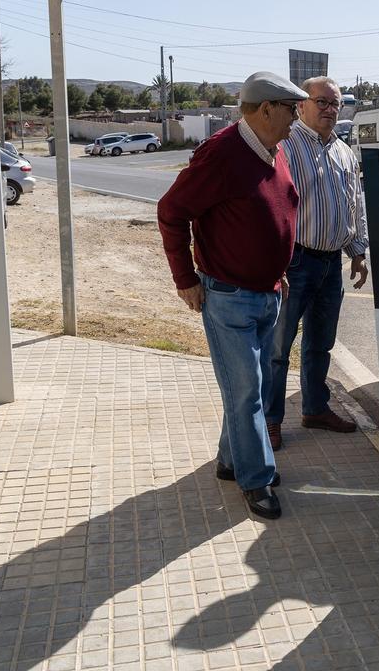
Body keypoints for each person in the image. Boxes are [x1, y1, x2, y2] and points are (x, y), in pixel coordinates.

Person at [157, 71, 306, 520]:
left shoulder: (274, 149)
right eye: (291, 109)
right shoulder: (221, 154)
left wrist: (278, 271)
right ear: (266, 110)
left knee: (249, 389)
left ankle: (230, 460)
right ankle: (256, 479)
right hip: (229, 297)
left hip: (267, 293)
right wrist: (184, 278)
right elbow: (171, 211)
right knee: (246, 391)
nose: (296, 117)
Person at [264, 77, 367, 449]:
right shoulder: (286, 145)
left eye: (335, 103)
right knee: (278, 349)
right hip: (294, 263)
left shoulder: (343, 151)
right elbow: (271, 207)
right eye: (321, 101)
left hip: (330, 264)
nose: (329, 109)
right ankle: (270, 421)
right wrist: (275, 263)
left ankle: (315, 409)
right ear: (301, 105)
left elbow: (355, 203)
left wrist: (358, 251)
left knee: (320, 344)